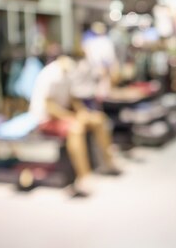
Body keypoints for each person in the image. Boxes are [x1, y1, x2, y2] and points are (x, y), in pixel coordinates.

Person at [29, 55, 120, 195]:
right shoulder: (51, 75)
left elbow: (73, 98)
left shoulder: (69, 73)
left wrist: (82, 113)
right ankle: (84, 177)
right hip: (46, 120)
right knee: (76, 128)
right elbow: (50, 107)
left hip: (64, 114)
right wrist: (73, 117)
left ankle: (107, 163)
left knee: (98, 119)